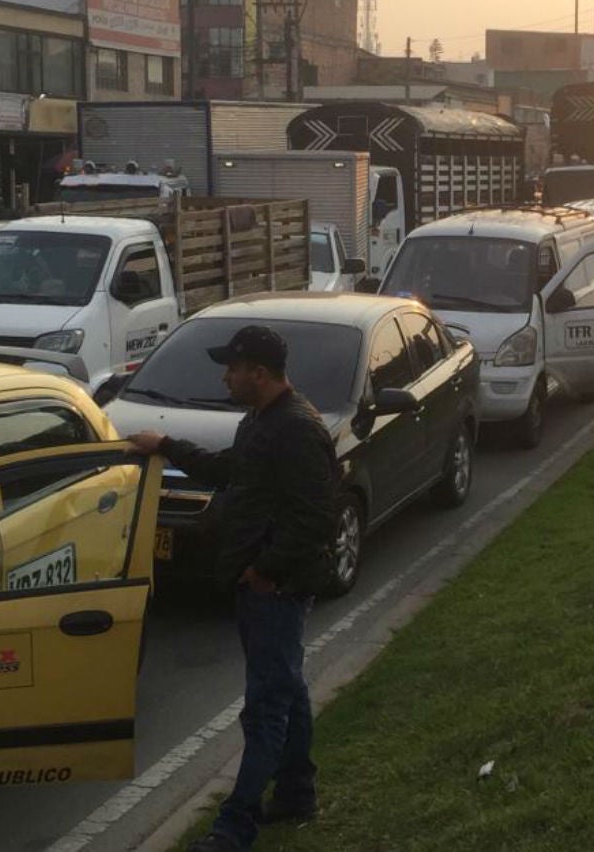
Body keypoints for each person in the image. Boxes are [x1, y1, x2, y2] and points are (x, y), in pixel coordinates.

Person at [127, 325, 336, 852]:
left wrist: (265, 570)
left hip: (275, 589)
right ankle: (296, 793)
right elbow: (232, 472)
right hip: (260, 585)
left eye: (233, 368)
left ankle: (233, 829)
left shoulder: (297, 429)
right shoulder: (261, 421)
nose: (226, 376)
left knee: (265, 706)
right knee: (288, 688)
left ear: (259, 374)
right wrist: (168, 446)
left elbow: (316, 518)